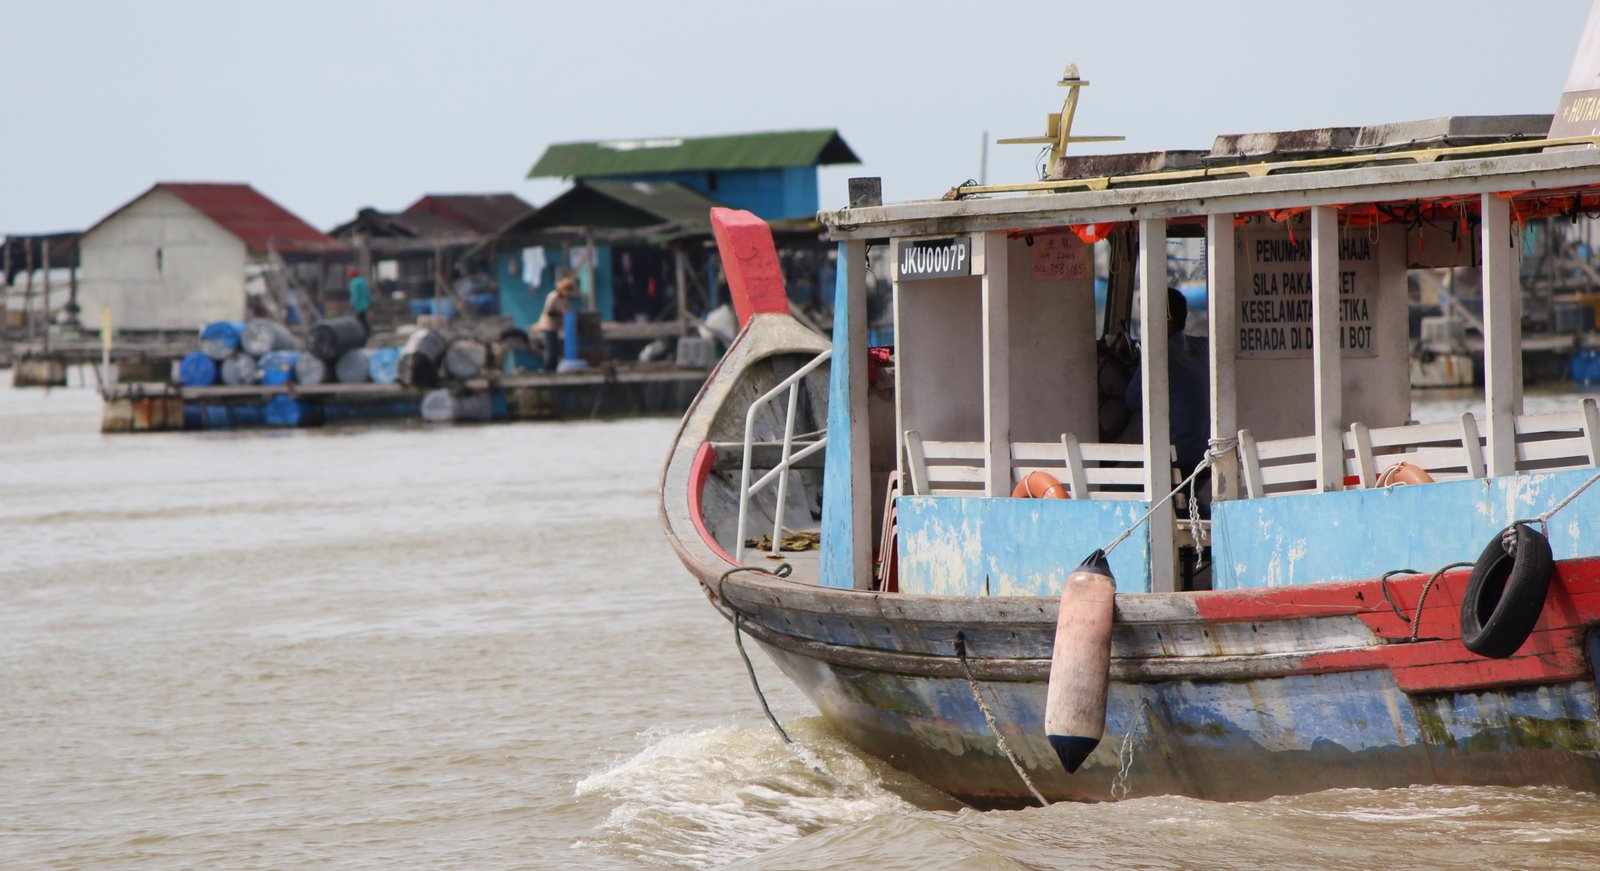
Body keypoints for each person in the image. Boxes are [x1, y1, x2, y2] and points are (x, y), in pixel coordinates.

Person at [1125, 287, 1210, 478]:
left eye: (1147, 314)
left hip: (1177, 459)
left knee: (1109, 483)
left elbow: (1132, 400)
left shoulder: (1159, 354)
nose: (1144, 322)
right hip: (1206, 458)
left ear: (1167, 318)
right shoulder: (1204, 347)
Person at [537, 276, 579, 372]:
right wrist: (561, 313)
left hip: (556, 327)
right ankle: (547, 369)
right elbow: (549, 312)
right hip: (548, 326)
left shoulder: (565, 299)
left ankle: (554, 369)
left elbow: (569, 310)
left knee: (556, 349)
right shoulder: (553, 296)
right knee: (551, 349)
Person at [348, 267, 371, 335]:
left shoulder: (354, 283)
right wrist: (369, 303)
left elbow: (354, 294)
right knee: (363, 319)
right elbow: (367, 294)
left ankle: (365, 332)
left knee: (360, 320)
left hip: (358, 305)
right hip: (365, 304)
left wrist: (352, 303)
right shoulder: (363, 281)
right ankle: (367, 332)